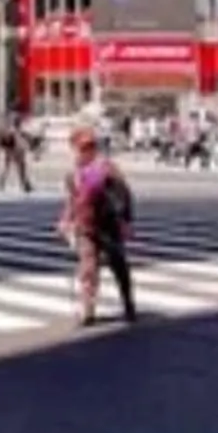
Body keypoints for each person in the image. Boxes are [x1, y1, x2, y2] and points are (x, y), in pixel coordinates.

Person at [60, 122, 138, 326]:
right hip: (86, 227)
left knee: (118, 265)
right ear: (75, 149)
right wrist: (66, 220)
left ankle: (128, 302)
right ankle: (88, 310)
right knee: (88, 268)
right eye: (83, 147)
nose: (88, 150)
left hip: (109, 225)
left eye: (91, 146)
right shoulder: (73, 173)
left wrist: (126, 220)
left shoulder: (107, 168)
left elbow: (124, 194)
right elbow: (71, 200)